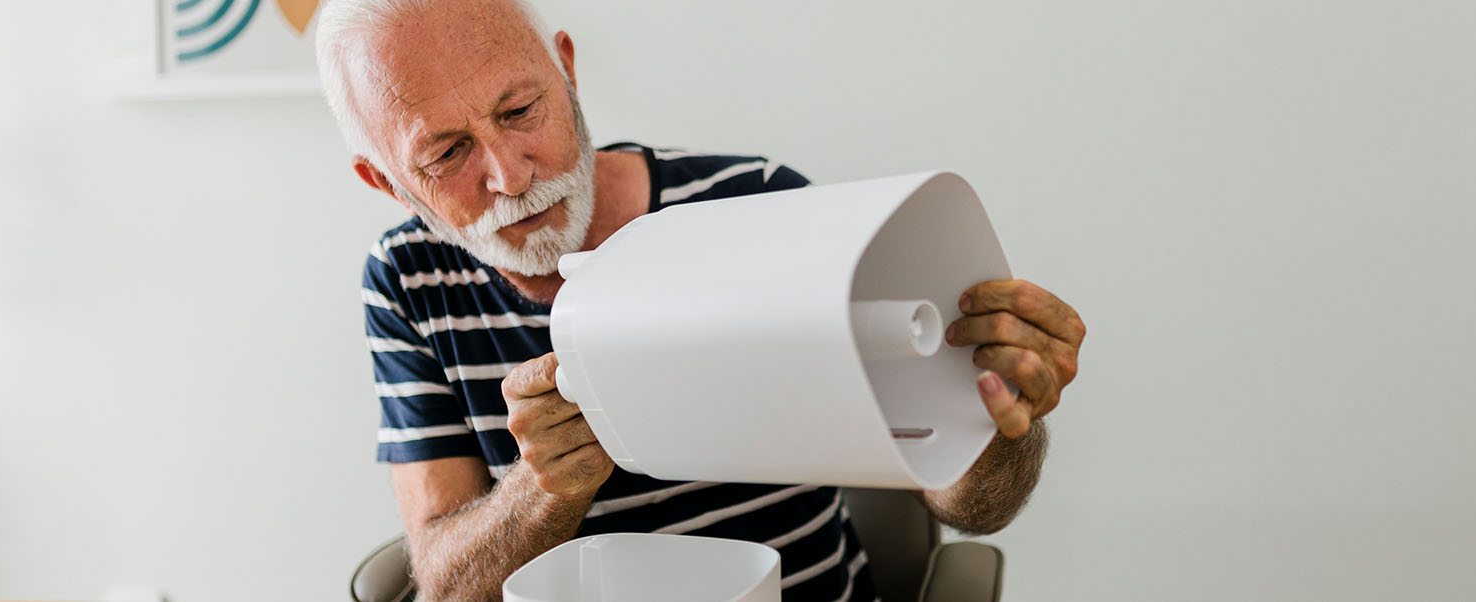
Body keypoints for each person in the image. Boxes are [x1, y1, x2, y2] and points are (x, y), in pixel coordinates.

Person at [315, 1, 1087, 600]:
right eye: (447, 153)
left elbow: (972, 505)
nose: (511, 176)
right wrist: (539, 492)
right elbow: (444, 588)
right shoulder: (407, 281)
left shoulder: (753, 205)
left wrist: (997, 413)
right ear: (386, 180)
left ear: (567, 71)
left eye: (520, 112)